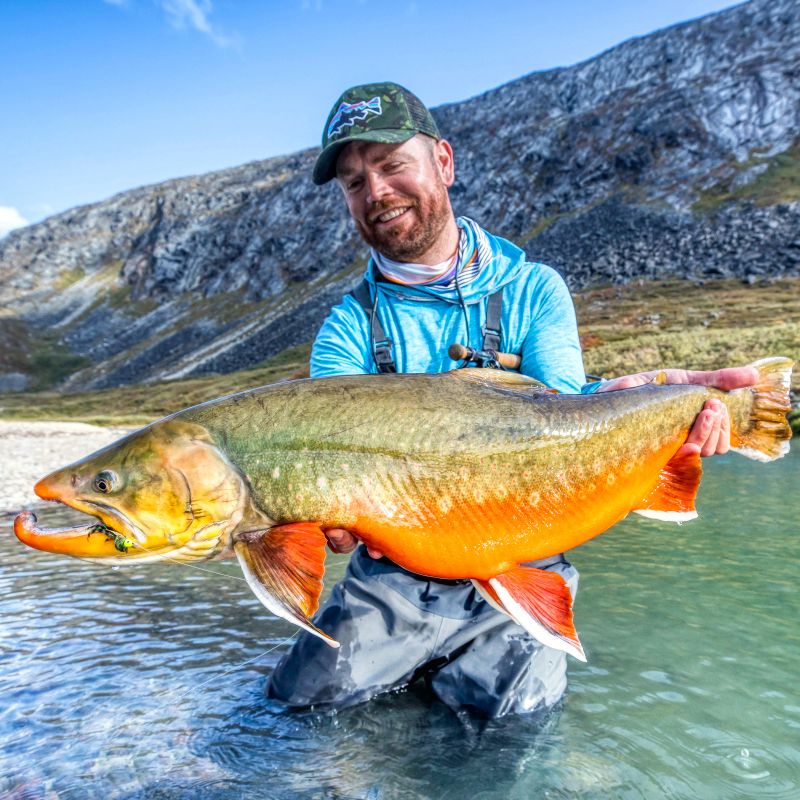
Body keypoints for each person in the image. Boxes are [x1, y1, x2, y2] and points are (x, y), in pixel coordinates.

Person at [266, 82, 755, 717]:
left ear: (443, 162)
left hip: (523, 559)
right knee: (291, 716)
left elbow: (565, 417)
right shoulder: (347, 327)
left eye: (392, 166)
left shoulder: (534, 290)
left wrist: (656, 401)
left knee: (510, 755)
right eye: (355, 182)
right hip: (390, 585)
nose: (376, 192)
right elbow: (323, 482)